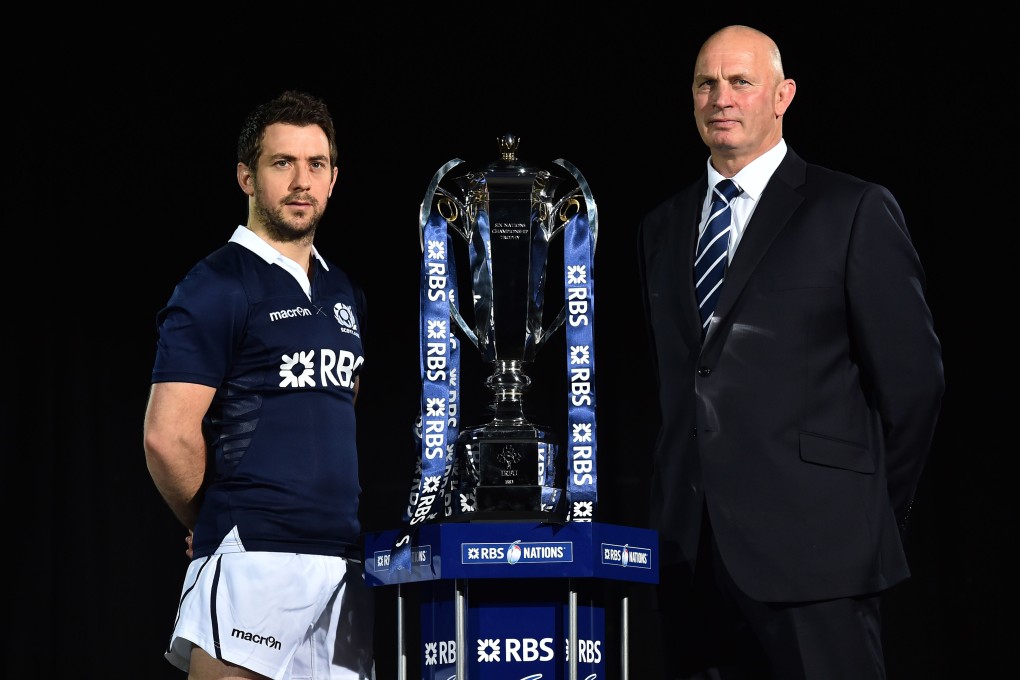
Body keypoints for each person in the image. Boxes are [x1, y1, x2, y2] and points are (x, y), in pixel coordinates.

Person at [636, 25, 944, 679]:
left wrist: (862, 514)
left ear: (783, 96)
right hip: (692, 562)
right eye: (706, 83)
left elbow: (914, 385)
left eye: (741, 81)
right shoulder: (660, 228)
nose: (722, 97)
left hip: (820, 558)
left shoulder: (852, 209)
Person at [143, 90, 374, 680]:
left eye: (315, 164)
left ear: (333, 178)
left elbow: (339, 403)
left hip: (342, 564)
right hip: (254, 557)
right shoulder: (215, 284)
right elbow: (167, 437)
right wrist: (211, 521)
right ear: (247, 176)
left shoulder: (343, 291)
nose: (301, 181)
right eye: (282, 163)